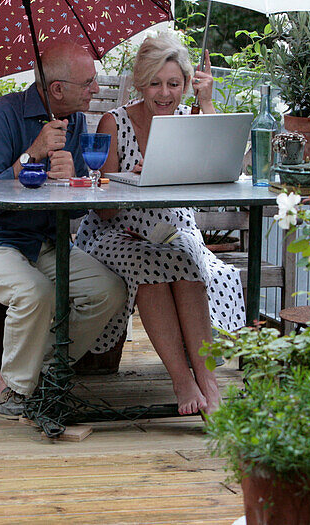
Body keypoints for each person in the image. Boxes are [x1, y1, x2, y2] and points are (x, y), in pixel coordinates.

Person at [74, 33, 246, 414]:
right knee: (148, 263)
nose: (165, 93)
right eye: (155, 83)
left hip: (171, 230)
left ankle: (208, 381)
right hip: (114, 232)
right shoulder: (113, 122)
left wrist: (206, 102)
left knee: (183, 260)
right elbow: (101, 209)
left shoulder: (191, 119)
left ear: (186, 83)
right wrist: (130, 183)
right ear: (140, 83)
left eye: (174, 83)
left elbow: (221, 173)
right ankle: (181, 381)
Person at [0, 40, 126, 419]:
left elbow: (80, 205)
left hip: (44, 242)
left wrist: (74, 179)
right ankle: (12, 389)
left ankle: (45, 368)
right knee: (35, 292)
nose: (96, 90)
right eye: (88, 83)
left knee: (108, 290)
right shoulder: (0, 116)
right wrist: (30, 154)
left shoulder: (76, 122)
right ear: (57, 89)